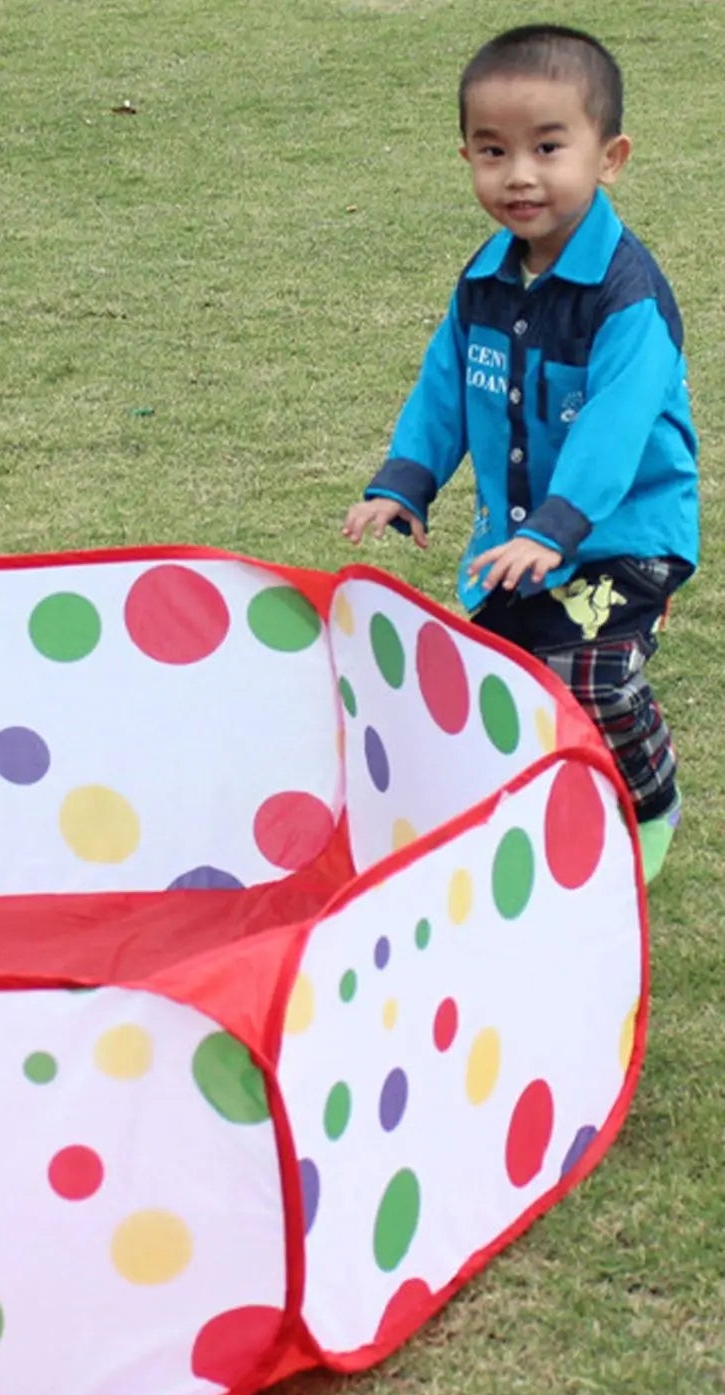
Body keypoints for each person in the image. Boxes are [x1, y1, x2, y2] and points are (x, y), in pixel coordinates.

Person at [343, 23, 699, 884]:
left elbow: (614, 434)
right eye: (491, 151)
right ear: (464, 154)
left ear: (608, 156)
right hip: (520, 538)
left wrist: (556, 527)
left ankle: (649, 802)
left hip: (621, 536)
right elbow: (446, 384)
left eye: (547, 147)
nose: (519, 176)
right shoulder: (485, 279)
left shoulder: (625, 297)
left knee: (591, 678)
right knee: (502, 678)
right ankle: (540, 810)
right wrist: (405, 480)